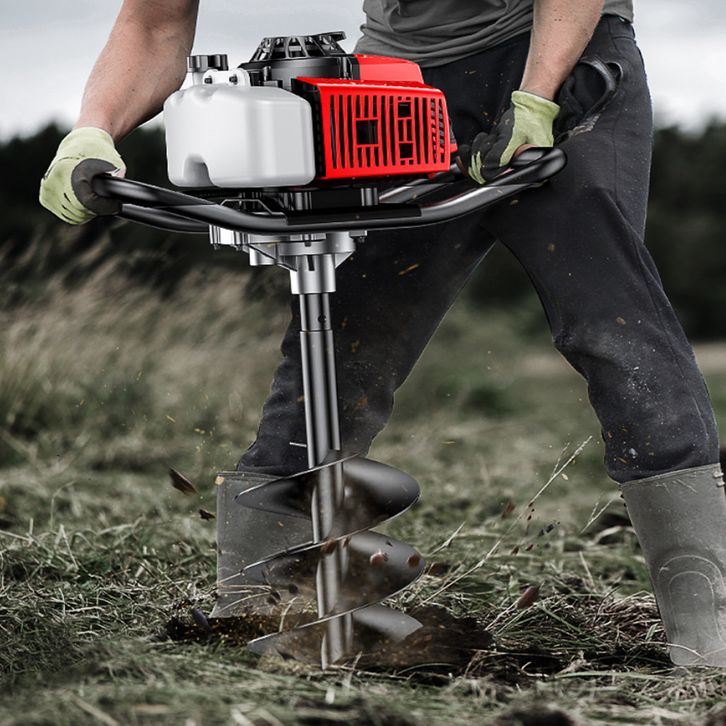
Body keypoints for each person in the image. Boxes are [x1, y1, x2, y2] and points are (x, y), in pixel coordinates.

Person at [39, 0, 726, 667]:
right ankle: (259, 608)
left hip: (560, 53)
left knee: (613, 329)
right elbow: (154, 21)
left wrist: (536, 100)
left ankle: (710, 627)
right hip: (400, 81)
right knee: (342, 347)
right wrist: (93, 130)